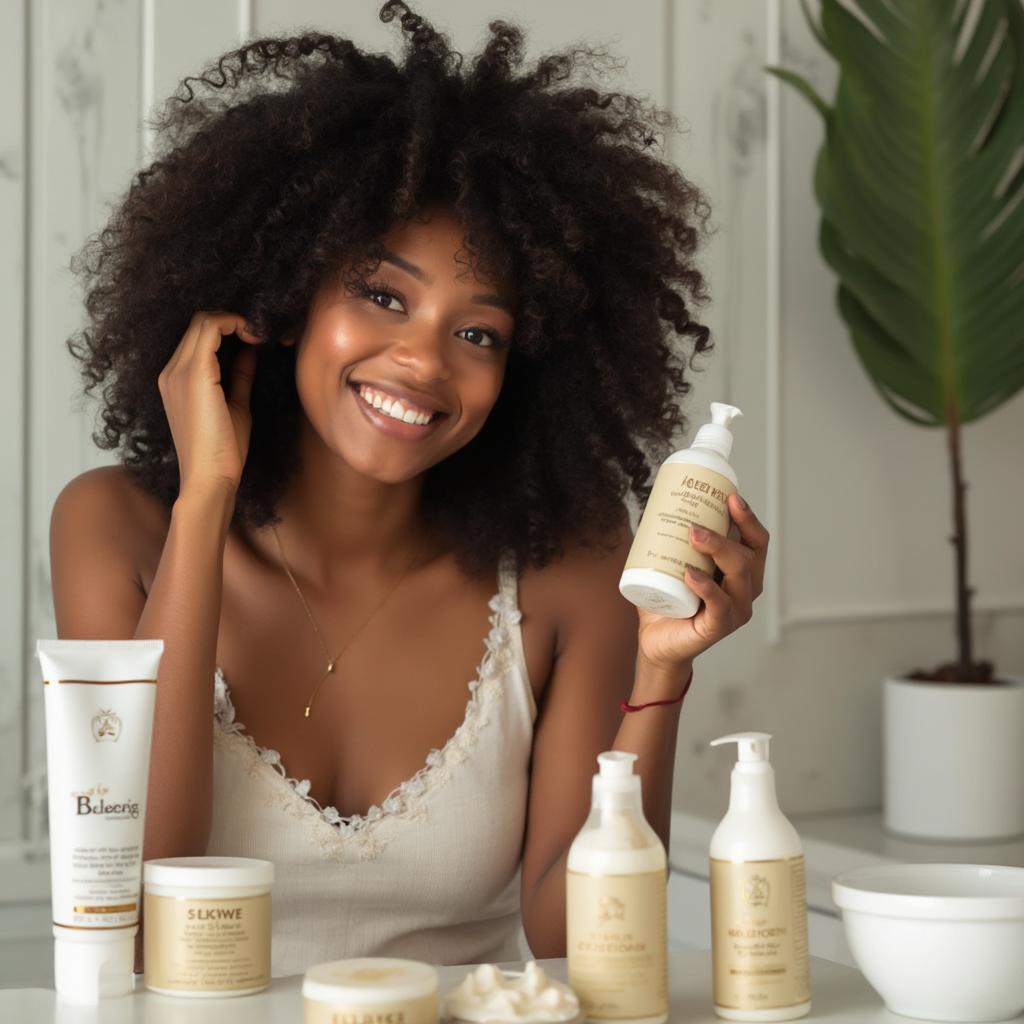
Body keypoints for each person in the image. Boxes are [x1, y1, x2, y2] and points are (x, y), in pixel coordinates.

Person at [48, 1, 768, 974]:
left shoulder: (571, 567)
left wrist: (663, 669)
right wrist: (205, 503)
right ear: (288, 291)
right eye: (381, 296)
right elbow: (140, 905)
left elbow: (577, 941)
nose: (422, 362)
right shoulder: (117, 527)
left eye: (478, 333)